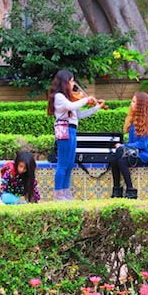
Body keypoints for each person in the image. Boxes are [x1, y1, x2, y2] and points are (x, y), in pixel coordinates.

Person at [47, 69, 105, 201]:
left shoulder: (69, 98)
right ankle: (58, 193)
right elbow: (71, 106)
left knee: (70, 163)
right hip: (64, 129)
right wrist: (86, 99)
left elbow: (79, 115)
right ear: (65, 82)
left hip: (72, 130)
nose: (73, 83)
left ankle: (65, 191)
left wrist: (96, 108)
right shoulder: (59, 97)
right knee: (62, 163)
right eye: (72, 80)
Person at [110, 92, 148, 199]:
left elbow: (142, 144)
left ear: (140, 105)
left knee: (121, 157)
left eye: (133, 102)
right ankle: (117, 189)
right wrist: (123, 147)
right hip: (134, 153)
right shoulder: (133, 121)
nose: (131, 104)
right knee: (113, 158)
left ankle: (130, 189)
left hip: (144, 155)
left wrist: (124, 146)